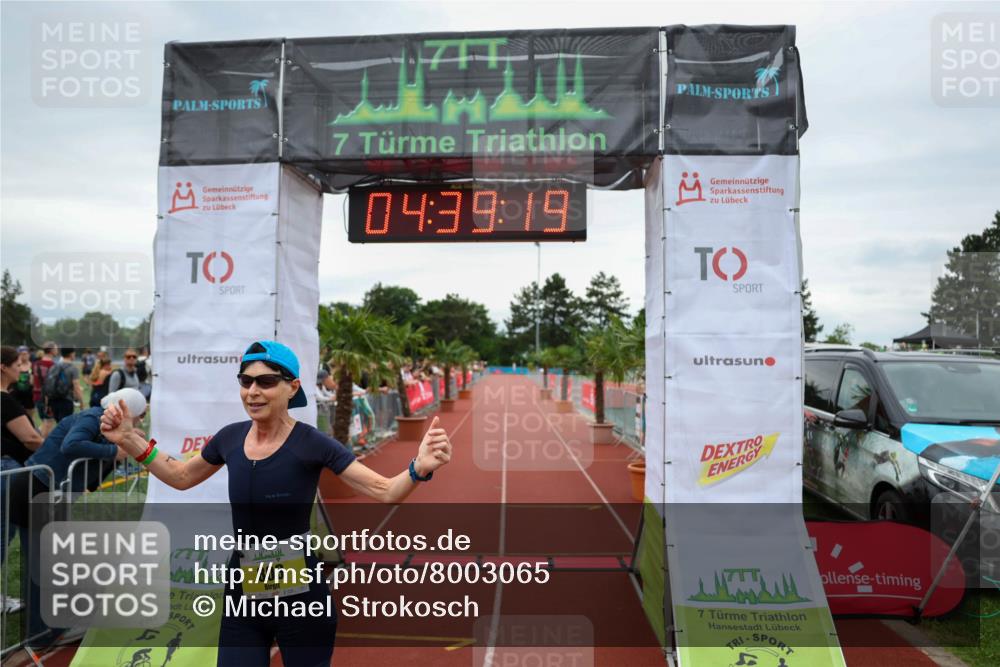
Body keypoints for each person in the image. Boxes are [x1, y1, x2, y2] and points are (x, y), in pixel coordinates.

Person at [101, 340, 452, 667]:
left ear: (293, 387)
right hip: (243, 592)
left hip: (302, 598)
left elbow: (385, 490)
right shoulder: (230, 437)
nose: (252, 392)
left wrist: (419, 468)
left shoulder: (313, 444)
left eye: (266, 382)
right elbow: (180, 476)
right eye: (246, 381)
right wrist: (130, 439)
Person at [1, 345, 44, 612]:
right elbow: (30, 438)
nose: (22, 368)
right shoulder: (4, 400)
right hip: (5, 470)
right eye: (18, 363)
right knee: (3, 535)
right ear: (3, 367)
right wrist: (52, 449)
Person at [43, 347, 82, 423]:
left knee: (59, 425)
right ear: (71, 354)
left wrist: (47, 404)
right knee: (65, 426)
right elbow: (76, 387)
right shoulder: (73, 368)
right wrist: (81, 403)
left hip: (53, 400)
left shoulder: (53, 367)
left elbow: (48, 385)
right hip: (66, 400)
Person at [31, 341, 57, 435]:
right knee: (48, 423)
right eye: (55, 348)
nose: (57, 350)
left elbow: (31, 381)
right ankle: (42, 447)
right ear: (51, 350)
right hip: (48, 398)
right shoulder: (53, 365)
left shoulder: (36, 363)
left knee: (44, 421)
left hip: (37, 396)